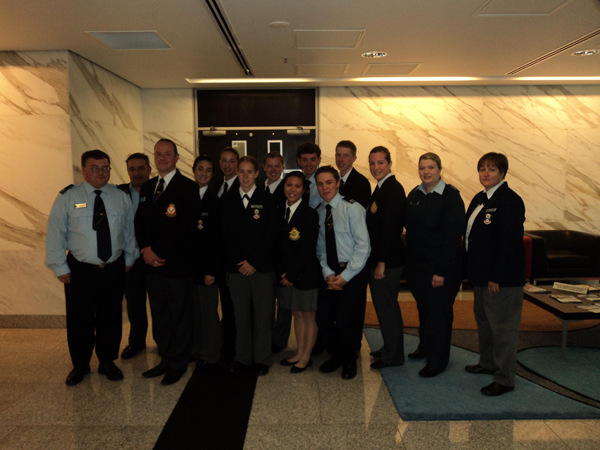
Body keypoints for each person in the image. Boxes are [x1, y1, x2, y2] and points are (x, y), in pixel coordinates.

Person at [45, 149, 138, 386]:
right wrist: (60, 267)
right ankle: (80, 364)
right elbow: (56, 233)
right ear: (83, 170)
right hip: (80, 270)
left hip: (113, 268)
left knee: (111, 317)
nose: (101, 173)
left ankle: (107, 361)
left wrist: (129, 260)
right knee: (80, 319)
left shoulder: (120, 196)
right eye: (94, 168)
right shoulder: (68, 196)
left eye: (105, 168)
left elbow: (128, 231)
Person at [134, 138, 199, 385]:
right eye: (158, 154)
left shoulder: (188, 187)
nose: (162, 158)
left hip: (176, 264)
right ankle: (165, 358)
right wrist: (145, 250)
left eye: (167, 154)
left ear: (176, 158)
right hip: (151, 266)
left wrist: (157, 251)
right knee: (160, 313)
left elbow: (184, 228)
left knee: (179, 314)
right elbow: (139, 222)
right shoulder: (149, 186)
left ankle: (179, 362)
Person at [464, 152, 526, 396]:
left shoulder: (510, 200)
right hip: (480, 276)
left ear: (502, 173)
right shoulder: (480, 197)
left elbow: (509, 243)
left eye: (491, 169)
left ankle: (505, 378)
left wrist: (496, 276)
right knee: (486, 323)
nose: (485, 173)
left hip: (502, 279)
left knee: (503, 329)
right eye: (482, 169)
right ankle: (487, 363)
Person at [404, 152, 465, 378]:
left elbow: (452, 238)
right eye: (422, 168)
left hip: (442, 268)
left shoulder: (451, 197)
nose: (426, 172)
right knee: (424, 310)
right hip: (418, 267)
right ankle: (426, 346)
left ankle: (438, 361)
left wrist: (441, 271)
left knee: (439, 314)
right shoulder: (415, 194)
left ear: (440, 169)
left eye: (430, 167)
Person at [222, 156, 278, 376]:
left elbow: (270, 234)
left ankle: (262, 358)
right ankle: (242, 357)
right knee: (240, 316)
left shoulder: (267, 198)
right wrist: (241, 262)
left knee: (264, 316)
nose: (245, 176)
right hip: (236, 269)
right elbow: (225, 235)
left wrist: (253, 262)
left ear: (257, 174)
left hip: (261, 269)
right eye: (241, 171)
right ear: (237, 173)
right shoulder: (227, 200)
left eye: (249, 172)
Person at [315, 166, 371, 380]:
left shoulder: (353, 208)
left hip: (353, 272)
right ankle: (336, 356)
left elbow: (363, 247)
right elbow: (320, 248)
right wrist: (328, 273)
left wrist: (345, 277)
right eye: (320, 184)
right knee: (324, 318)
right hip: (331, 272)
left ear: (338, 183)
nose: (324, 187)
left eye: (328, 182)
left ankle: (349, 361)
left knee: (346, 320)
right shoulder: (321, 211)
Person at [276, 172, 322, 373]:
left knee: (308, 315)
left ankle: (306, 356)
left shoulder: (309, 214)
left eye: (297, 186)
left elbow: (307, 249)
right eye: (289, 185)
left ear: (304, 190)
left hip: (305, 275)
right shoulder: (279, 211)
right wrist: (282, 273)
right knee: (296, 314)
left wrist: (291, 275)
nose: (292, 190)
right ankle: (298, 352)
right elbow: (275, 246)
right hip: (285, 275)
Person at [366, 146, 407, 369]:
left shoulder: (392, 189)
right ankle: (389, 347)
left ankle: (394, 355)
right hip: (380, 260)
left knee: (388, 308)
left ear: (389, 163)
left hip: (387, 262)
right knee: (383, 308)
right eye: (372, 163)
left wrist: (381, 262)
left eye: (380, 163)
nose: (376, 167)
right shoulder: (381, 188)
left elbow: (391, 230)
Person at [117, 153, 153, 360]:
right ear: (128, 171)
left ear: (149, 169)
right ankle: (137, 342)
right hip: (130, 259)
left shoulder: (159, 190)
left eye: (141, 168)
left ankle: (163, 341)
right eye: (132, 168)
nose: (137, 172)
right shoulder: (117, 193)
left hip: (155, 256)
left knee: (159, 304)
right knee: (134, 302)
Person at [191, 155, 222, 366]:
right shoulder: (185, 197)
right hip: (188, 269)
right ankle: (195, 350)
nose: (203, 173)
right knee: (194, 312)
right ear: (193, 170)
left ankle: (210, 353)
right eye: (200, 169)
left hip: (207, 270)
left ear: (212, 174)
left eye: (208, 170)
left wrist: (211, 270)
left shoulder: (215, 203)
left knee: (209, 312)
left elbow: (216, 240)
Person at [261, 151, 291, 353]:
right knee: (265, 302)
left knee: (284, 303)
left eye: (277, 166)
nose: (273, 170)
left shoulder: (288, 190)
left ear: (282, 168)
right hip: (262, 258)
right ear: (263, 168)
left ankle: (279, 340)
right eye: (269, 166)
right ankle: (264, 336)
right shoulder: (256, 189)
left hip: (282, 256)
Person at [213, 147, 240, 357]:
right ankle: (225, 340)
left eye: (232, 161)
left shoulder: (244, 187)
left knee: (236, 306)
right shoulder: (214, 186)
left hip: (237, 260)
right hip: (218, 258)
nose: (227, 165)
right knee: (225, 302)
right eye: (224, 161)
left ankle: (235, 346)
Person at [335, 140, 371, 209]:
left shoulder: (362, 183)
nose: (340, 159)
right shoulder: (333, 180)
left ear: (354, 159)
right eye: (338, 155)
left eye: (345, 156)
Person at [296, 142, 322, 209]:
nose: (309, 164)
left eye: (312, 159)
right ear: (299, 161)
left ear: (319, 160)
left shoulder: (325, 183)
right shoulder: (295, 183)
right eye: (305, 160)